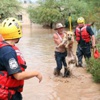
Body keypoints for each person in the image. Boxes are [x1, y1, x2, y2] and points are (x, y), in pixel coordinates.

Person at [0, 17, 42, 100]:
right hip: (9, 95)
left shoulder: (7, 48)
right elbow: (18, 76)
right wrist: (36, 73)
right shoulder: (8, 51)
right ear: (17, 32)